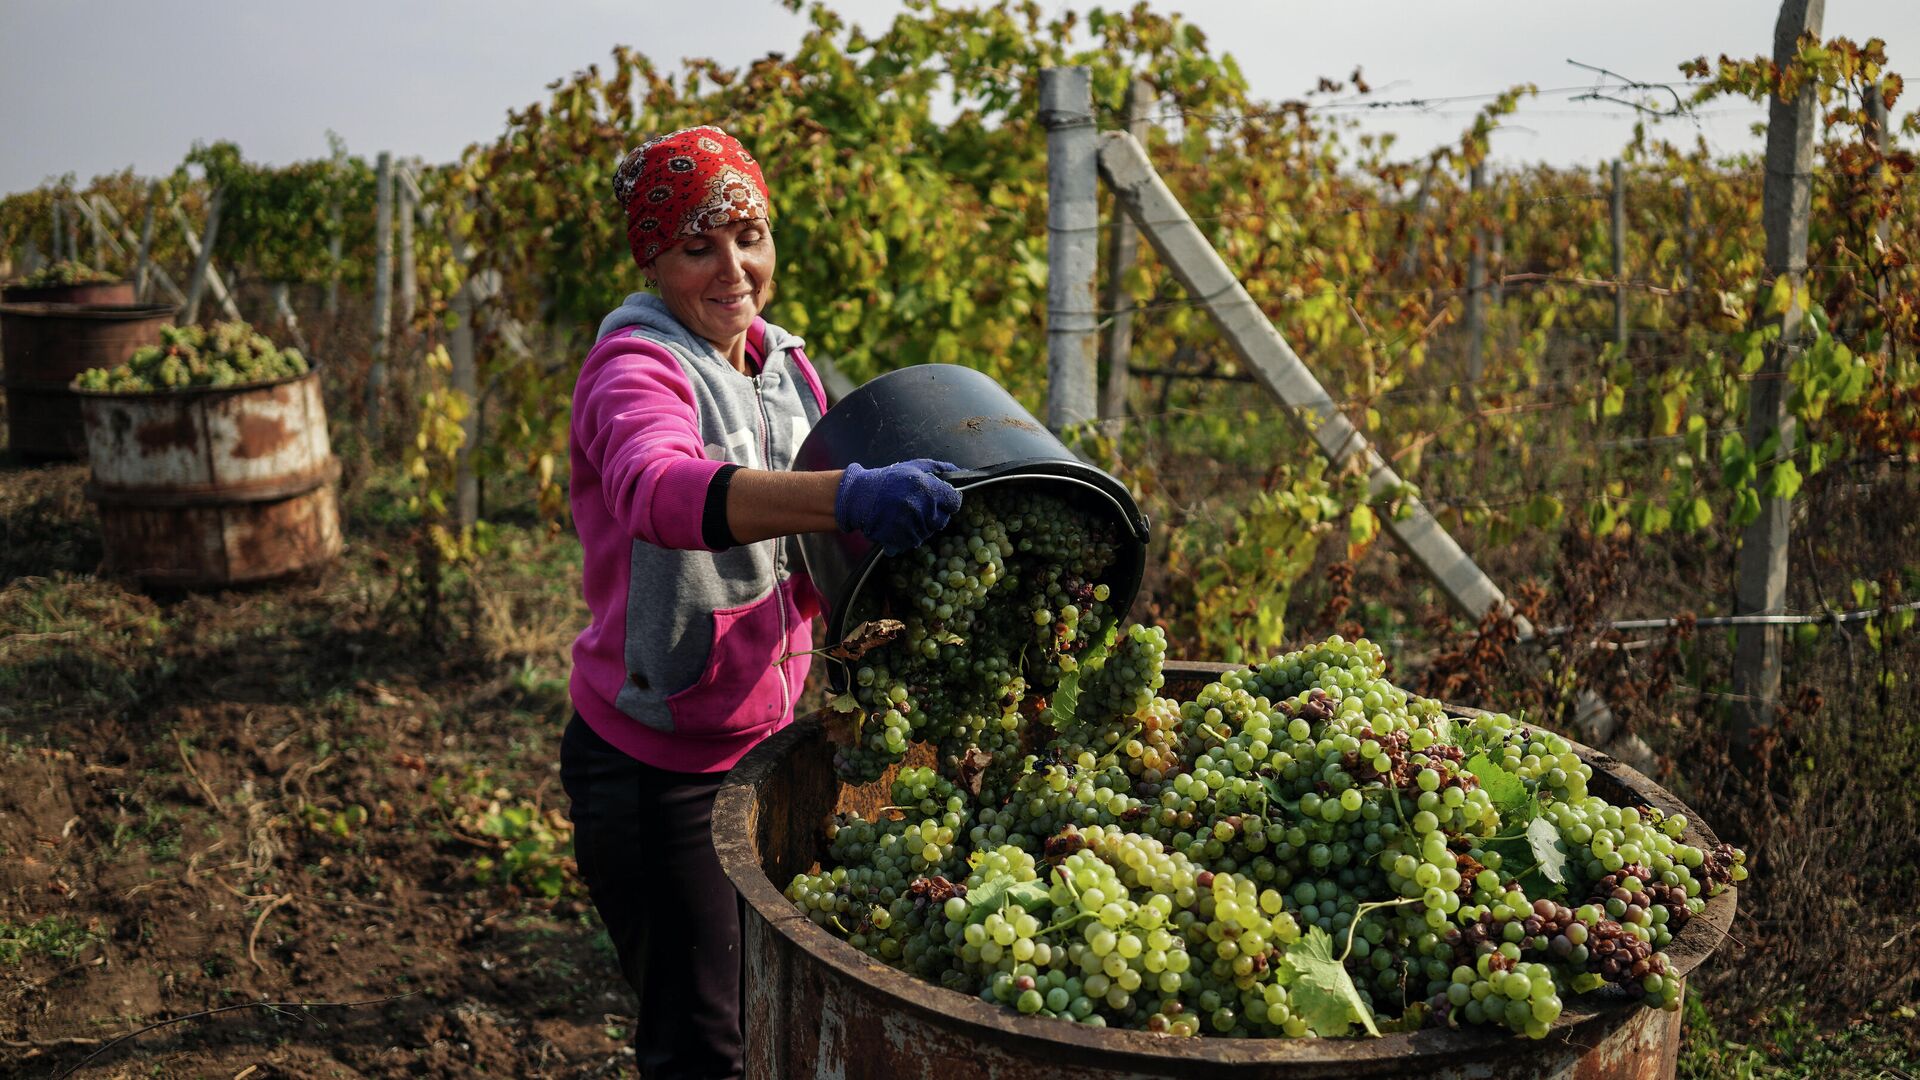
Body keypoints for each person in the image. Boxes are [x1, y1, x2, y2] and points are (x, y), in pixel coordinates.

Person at [560, 124, 961, 1080]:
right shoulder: (636, 370)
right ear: (652, 258)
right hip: (659, 765)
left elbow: (805, 557)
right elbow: (661, 490)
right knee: (706, 1045)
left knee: (773, 1011)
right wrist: (848, 494)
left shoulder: (783, 366)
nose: (733, 269)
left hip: (770, 740)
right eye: (697, 246)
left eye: (749, 236)